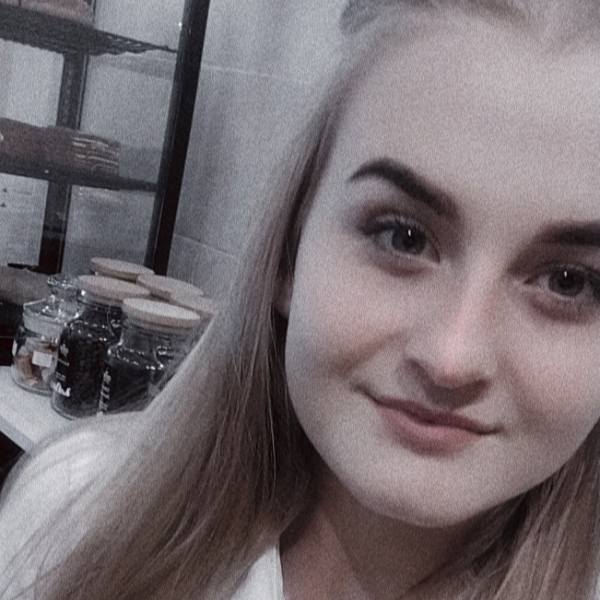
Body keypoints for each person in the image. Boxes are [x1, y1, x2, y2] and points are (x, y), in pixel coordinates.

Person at [1, 0, 600, 598]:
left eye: (568, 281)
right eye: (403, 237)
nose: (452, 358)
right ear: (289, 251)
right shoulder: (78, 513)